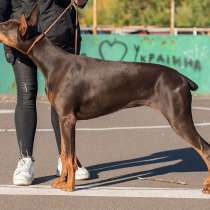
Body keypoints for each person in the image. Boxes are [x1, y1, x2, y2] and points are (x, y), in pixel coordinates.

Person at [0, 0, 90, 186]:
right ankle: (25, 161)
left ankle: (65, 159)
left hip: (58, 33)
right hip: (20, 35)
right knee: (26, 95)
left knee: (62, 99)